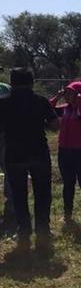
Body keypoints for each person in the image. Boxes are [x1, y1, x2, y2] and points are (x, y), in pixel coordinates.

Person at [0, 69, 59, 254]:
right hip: (38, 153)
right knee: (42, 193)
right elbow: (55, 126)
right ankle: (43, 230)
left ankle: (23, 231)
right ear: (32, 82)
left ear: (12, 82)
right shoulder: (40, 101)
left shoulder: (3, 104)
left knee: (19, 195)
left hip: (14, 154)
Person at [51, 81, 81, 222]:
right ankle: (67, 214)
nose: (67, 96)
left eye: (70, 93)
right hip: (65, 151)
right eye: (67, 93)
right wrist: (57, 98)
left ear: (79, 94)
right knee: (68, 183)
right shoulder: (65, 109)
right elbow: (48, 108)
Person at [0, 80, 15, 237]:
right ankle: (11, 206)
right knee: (9, 171)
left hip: (6, 135)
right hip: (7, 134)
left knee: (9, 171)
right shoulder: (6, 88)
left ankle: (11, 206)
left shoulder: (5, 88)